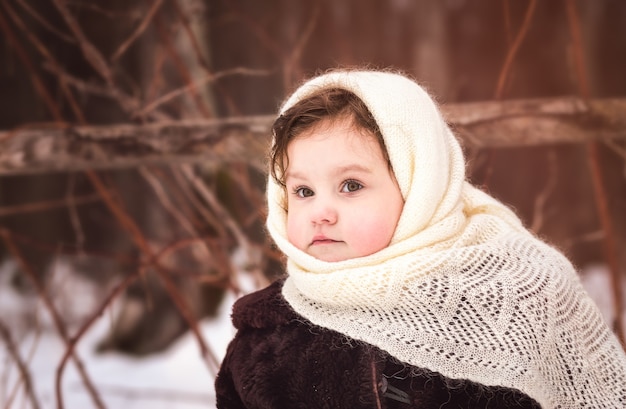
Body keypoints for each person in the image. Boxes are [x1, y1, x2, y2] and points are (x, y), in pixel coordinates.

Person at [215, 69, 626, 408]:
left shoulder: (521, 290)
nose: (321, 212)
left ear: (419, 186)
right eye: (303, 191)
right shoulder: (266, 339)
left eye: (351, 185)